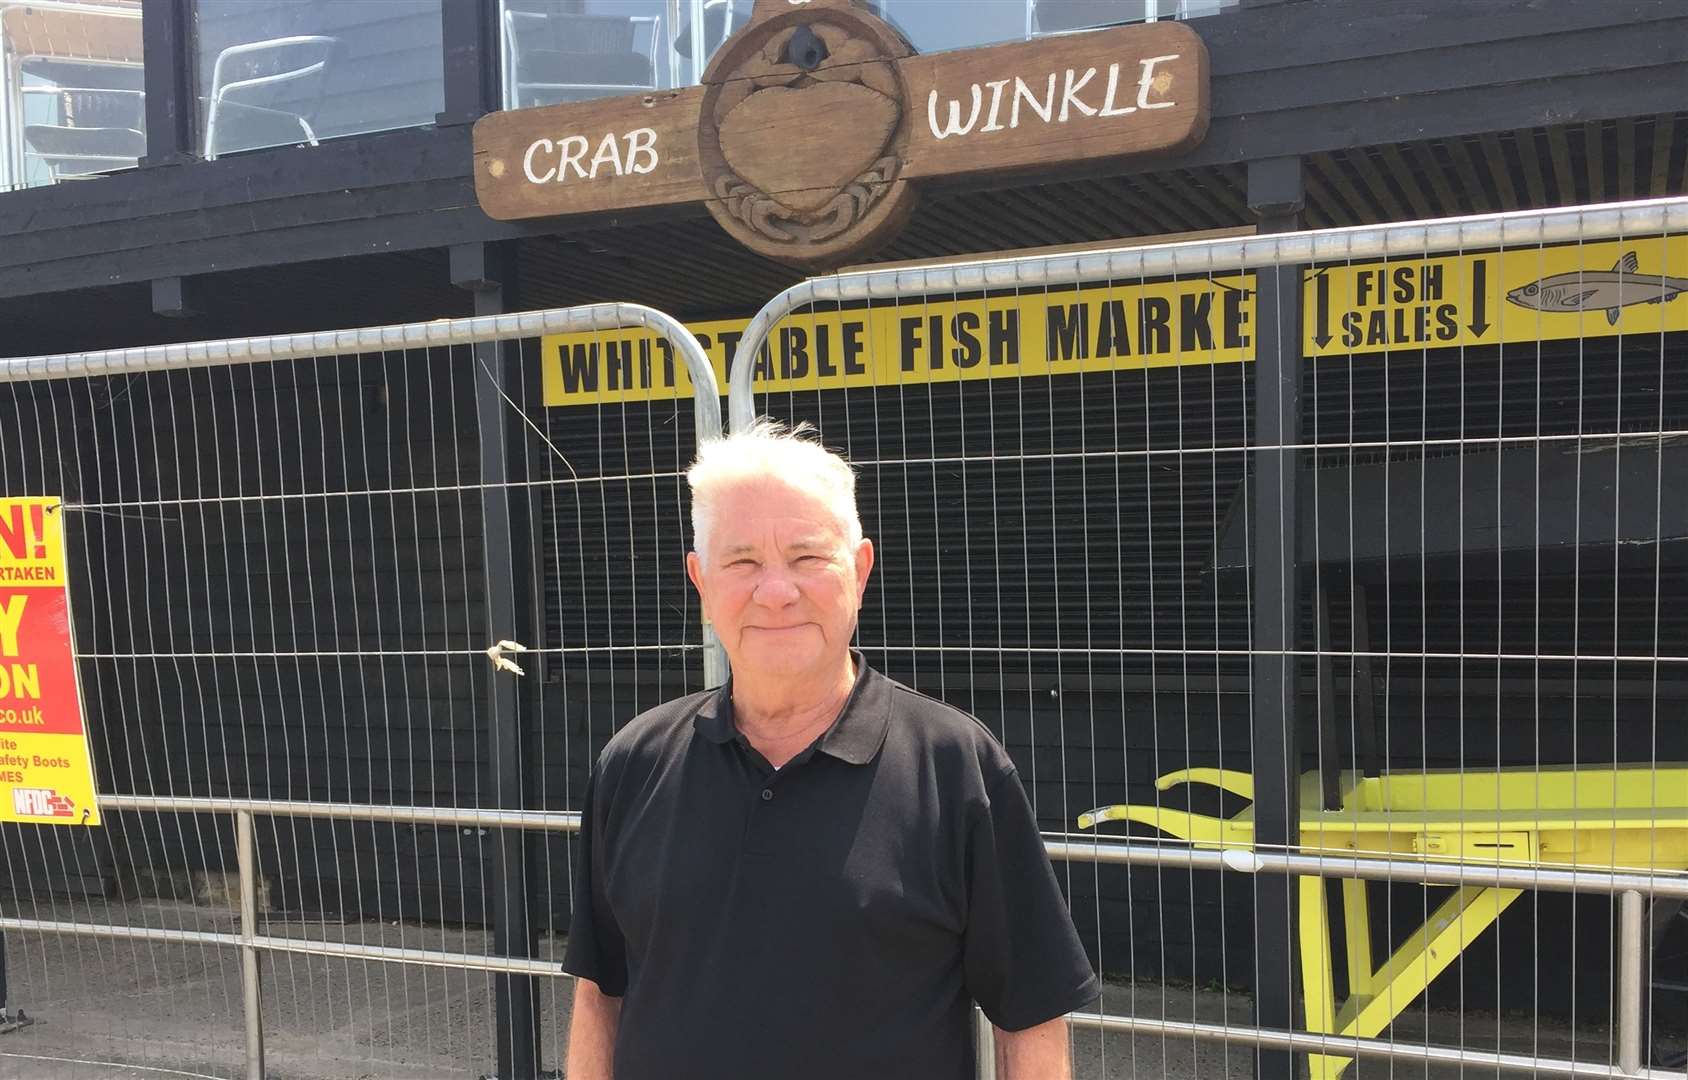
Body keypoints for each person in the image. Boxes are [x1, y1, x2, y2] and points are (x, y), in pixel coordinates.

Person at [563, 420, 1098, 1080]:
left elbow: (1032, 1019)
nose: (778, 591)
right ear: (701, 581)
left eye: (807, 556)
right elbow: (599, 995)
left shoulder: (956, 769)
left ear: (861, 568)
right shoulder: (633, 765)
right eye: (742, 562)